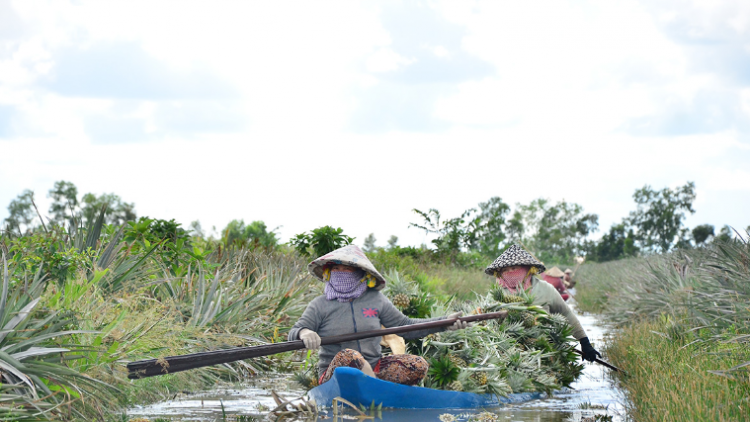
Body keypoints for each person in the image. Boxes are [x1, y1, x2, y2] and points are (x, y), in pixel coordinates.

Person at [289, 245, 470, 386]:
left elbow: (405, 325)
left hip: (373, 368)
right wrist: (305, 333)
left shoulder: (376, 300)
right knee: (349, 356)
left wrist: (444, 323)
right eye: (336, 268)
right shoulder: (320, 305)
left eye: (347, 269)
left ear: (361, 274)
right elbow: (295, 331)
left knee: (417, 364)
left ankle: (378, 387)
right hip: (335, 374)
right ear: (328, 272)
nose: (340, 272)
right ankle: (374, 387)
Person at [485, 244, 601, 362]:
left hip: (543, 348)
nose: (510, 272)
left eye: (514, 268)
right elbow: (485, 320)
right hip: (508, 351)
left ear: (526, 268)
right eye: (505, 270)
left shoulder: (546, 289)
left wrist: (584, 341)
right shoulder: (496, 294)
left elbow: (566, 314)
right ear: (500, 273)